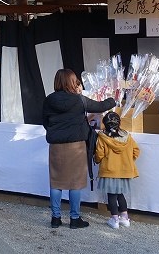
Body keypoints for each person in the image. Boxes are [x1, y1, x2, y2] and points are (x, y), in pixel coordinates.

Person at [42, 68, 115, 229]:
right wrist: (113, 99)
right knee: (74, 183)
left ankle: (55, 218)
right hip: (76, 146)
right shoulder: (79, 100)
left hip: (55, 146)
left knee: (56, 182)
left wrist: (55, 132)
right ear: (72, 82)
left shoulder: (49, 100)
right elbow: (100, 106)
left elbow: (45, 122)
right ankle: (74, 219)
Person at [94, 111, 140, 229]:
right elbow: (136, 151)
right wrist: (127, 161)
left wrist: (97, 160)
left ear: (105, 124)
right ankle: (125, 218)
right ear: (119, 123)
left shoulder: (102, 137)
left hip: (109, 170)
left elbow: (99, 154)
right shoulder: (127, 137)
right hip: (124, 171)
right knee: (120, 194)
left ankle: (114, 219)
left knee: (111, 196)